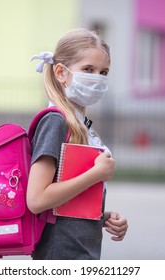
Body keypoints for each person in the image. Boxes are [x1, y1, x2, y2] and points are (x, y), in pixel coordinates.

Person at [28, 28, 128, 260]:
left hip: (79, 252)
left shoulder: (79, 124)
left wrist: (103, 217)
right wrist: (96, 174)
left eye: (104, 72)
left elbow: (64, 204)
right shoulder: (55, 121)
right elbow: (37, 199)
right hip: (61, 255)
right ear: (61, 73)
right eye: (88, 70)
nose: (98, 78)